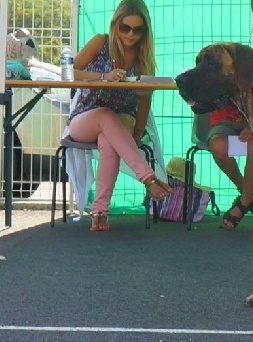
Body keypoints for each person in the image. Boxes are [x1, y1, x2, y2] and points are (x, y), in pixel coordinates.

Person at [67, 0, 171, 232]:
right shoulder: (100, 42)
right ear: (115, 25)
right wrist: (104, 77)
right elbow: (70, 71)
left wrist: (137, 131)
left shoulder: (144, 58)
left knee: (109, 139)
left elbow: (145, 97)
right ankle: (147, 177)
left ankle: (100, 212)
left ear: (145, 31)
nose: (131, 34)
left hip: (123, 117)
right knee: (105, 116)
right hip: (86, 116)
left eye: (138, 29)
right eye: (125, 27)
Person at [205, 42, 253, 229]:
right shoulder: (233, 76)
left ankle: (244, 202)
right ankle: (248, 194)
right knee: (218, 147)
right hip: (224, 121)